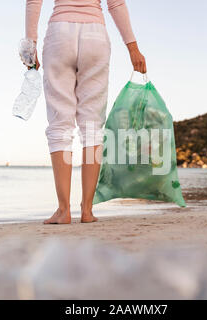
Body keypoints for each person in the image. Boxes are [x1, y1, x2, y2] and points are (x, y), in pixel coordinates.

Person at [25, 0, 147, 224]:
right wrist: (133, 49)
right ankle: (87, 210)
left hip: (60, 33)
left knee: (60, 124)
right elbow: (116, 4)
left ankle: (63, 211)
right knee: (92, 126)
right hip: (96, 36)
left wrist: (30, 44)